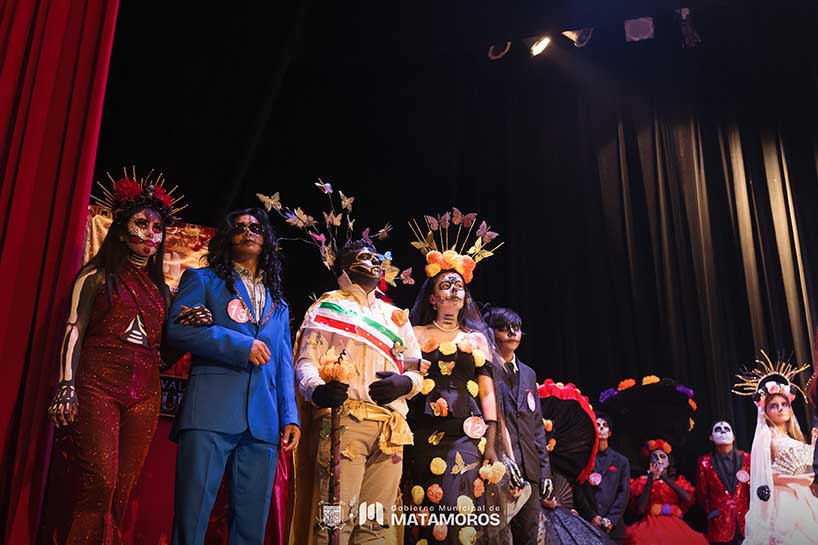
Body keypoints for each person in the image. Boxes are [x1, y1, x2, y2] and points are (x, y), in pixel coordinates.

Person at [47, 171, 210, 545]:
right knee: (99, 483)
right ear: (121, 229)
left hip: (144, 395)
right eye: (142, 223)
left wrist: (189, 330)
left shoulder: (161, 292)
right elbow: (74, 327)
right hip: (96, 385)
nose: (151, 234)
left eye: (157, 228)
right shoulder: (96, 275)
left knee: (121, 492)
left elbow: (162, 357)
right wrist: (66, 384)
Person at [167, 208, 300, 545]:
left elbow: (284, 363)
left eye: (255, 227)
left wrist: (290, 416)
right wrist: (241, 346)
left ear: (267, 240)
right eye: (239, 227)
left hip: (263, 422)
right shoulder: (202, 280)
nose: (248, 231)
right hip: (210, 412)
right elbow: (178, 332)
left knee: (251, 528)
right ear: (226, 238)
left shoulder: (279, 303)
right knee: (191, 520)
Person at [292, 238, 425, 545]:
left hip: (391, 429)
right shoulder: (329, 306)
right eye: (366, 257)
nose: (376, 262)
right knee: (333, 521)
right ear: (344, 266)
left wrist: (405, 384)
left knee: (376, 524)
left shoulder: (396, 317)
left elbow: (416, 370)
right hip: (343, 420)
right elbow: (306, 362)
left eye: (378, 257)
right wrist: (317, 391)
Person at [402, 211, 512, 545]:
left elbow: (488, 395)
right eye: (445, 285)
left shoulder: (478, 339)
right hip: (423, 435)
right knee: (425, 511)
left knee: (464, 516)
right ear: (432, 297)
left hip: (468, 438)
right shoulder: (414, 333)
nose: (453, 291)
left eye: (459, 286)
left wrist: (492, 444)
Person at [485, 306, 553, 545]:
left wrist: (545, 471)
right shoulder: (485, 368)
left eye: (517, 328)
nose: (512, 333)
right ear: (490, 332)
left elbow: (536, 427)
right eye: (504, 328)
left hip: (529, 471)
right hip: (499, 468)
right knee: (497, 536)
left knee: (529, 536)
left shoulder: (528, 374)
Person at [734, 354, 818, 545]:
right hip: (784, 501)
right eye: (774, 406)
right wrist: (799, 479)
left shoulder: (796, 437)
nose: (781, 409)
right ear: (765, 411)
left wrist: (813, 446)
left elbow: (806, 465)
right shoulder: (767, 436)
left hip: (805, 498)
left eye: (784, 404)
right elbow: (764, 475)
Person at [624, 439, 708, 545]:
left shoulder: (677, 482)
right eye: (654, 457)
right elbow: (640, 509)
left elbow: (688, 499)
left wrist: (665, 478)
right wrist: (651, 478)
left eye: (662, 457)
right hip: (651, 524)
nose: (658, 460)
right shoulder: (642, 481)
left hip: (675, 524)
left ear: (668, 462)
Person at [695, 420, 750, 545]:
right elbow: (702, 495)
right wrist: (714, 511)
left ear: (734, 436)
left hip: (746, 522)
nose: (723, 431)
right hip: (719, 524)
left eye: (726, 429)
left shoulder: (747, 458)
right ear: (711, 437)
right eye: (718, 429)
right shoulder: (704, 462)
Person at [580, 414, 630, 545]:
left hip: (614, 527)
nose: (601, 428)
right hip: (587, 522)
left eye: (605, 425)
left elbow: (623, 493)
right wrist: (591, 516)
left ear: (610, 433)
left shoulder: (621, 461)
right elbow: (578, 488)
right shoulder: (583, 458)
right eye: (598, 425)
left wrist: (611, 520)